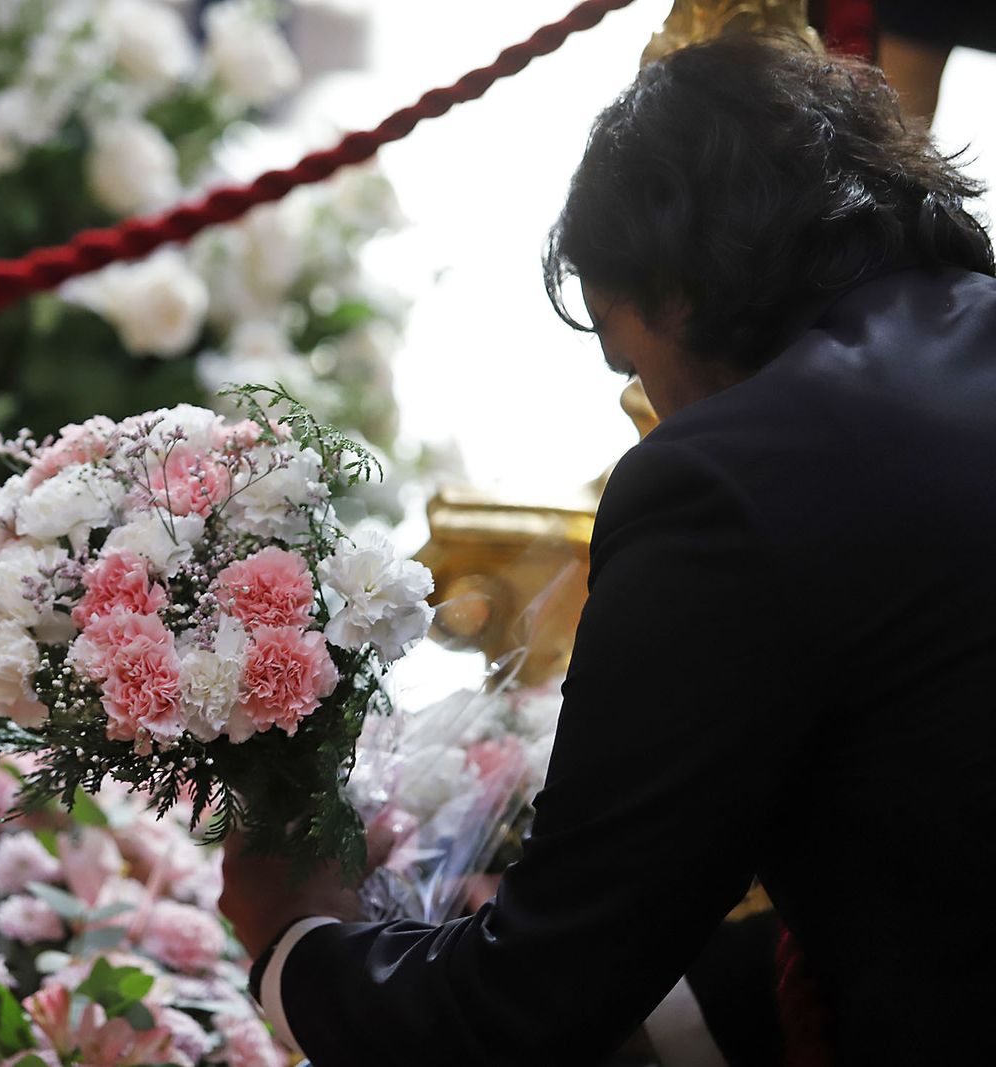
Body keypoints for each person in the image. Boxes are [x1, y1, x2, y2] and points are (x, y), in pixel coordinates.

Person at [219, 33, 996, 1065]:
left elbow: (532, 1003)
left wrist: (296, 939)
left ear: (674, 286)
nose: (647, 407)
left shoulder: (725, 479)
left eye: (631, 362)